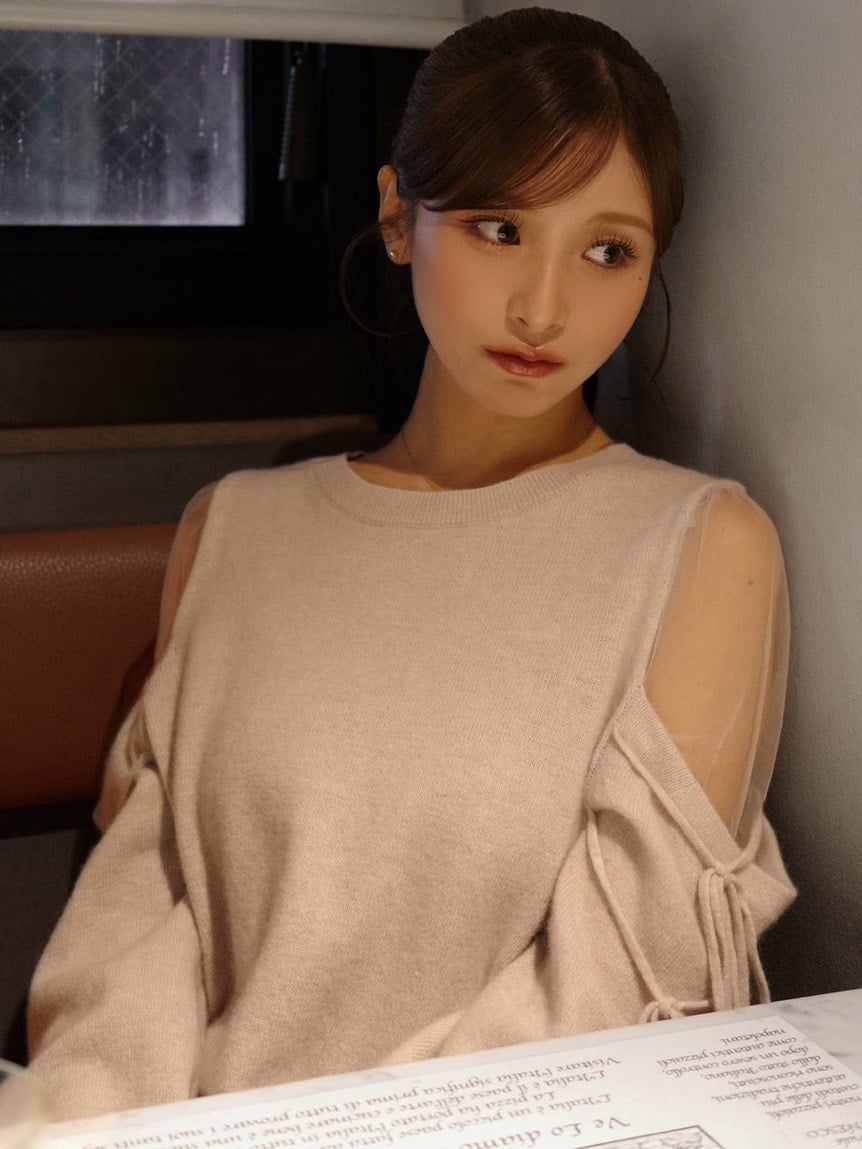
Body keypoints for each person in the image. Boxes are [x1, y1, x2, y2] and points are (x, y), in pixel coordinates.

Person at [27, 7, 795, 1120]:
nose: (544, 307)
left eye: (607, 251)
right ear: (397, 215)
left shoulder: (703, 546)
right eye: (498, 228)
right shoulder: (235, 529)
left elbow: (624, 981)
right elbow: (138, 935)